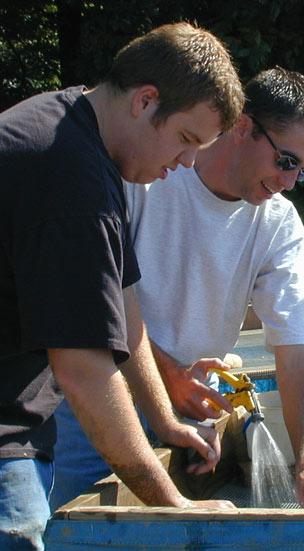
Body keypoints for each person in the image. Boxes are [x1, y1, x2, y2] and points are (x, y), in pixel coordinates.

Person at [51, 67, 304, 510]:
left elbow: (294, 347)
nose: (288, 182)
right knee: (70, 528)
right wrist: (169, 378)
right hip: (94, 401)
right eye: (286, 162)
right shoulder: (149, 174)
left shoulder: (279, 224)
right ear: (243, 126)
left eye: (303, 173)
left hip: (181, 415)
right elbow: (96, 301)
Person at [0, 22, 244, 549]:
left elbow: (122, 299)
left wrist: (164, 421)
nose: (185, 164)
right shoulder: (68, 179)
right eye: (185, 139)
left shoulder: (77, 126)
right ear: (145, 100)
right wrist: (173, 505)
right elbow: (85, 370)